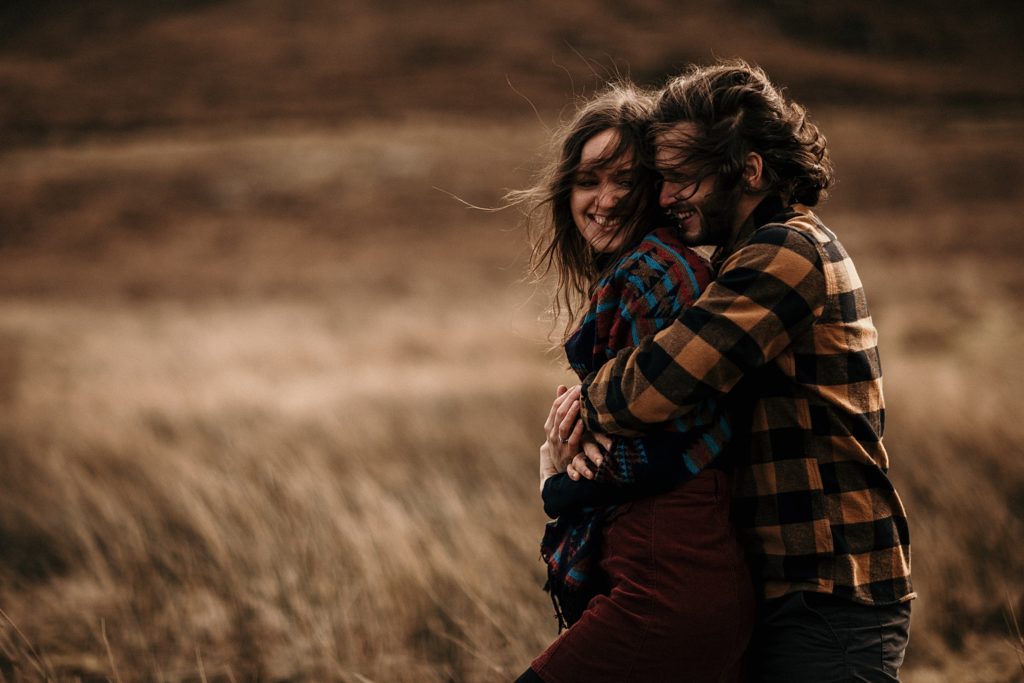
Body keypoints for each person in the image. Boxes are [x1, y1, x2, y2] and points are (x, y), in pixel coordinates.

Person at [559, 60, 915, 682]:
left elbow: (658, 383)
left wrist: (581, 405)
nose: (666, 198)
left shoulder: (787, 253)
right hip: (788, 587)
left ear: (748, 170)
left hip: (829, 590)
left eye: (683, 178)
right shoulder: (740, 256)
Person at [512, 83, 753, 683]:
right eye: (590, 180)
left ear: (657, 190)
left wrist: (558, 484)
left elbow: (684, 442)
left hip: (670, 585)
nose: (607, 200)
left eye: (628, 179)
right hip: (662, 577)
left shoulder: (658, 272)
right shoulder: (633, 274)